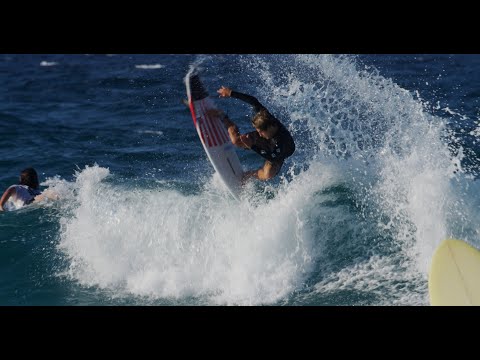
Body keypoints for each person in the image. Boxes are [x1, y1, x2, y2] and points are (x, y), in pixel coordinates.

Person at [216, 86, 295, 182]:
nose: (259, 135)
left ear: (270, 127)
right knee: (236, 141)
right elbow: (253, 101)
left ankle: (247, 176)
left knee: (269, 174)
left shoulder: (281, 142)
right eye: (257, 132)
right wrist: (231, 93)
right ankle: (224, 118)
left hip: (278, 153)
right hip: (270, 140)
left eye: (260, 132)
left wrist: (252, 145)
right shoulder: (264, 116)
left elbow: (272, 157)